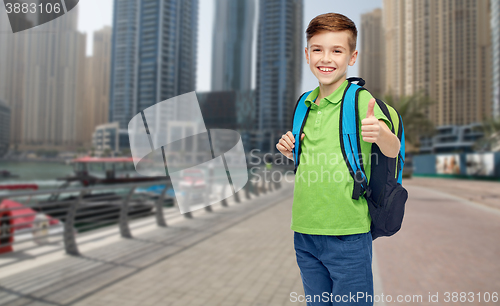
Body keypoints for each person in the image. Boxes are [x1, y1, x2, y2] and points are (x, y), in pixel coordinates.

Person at [276, 13, 401, 305]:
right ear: (307, 54)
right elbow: (310, 157)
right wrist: (289, 151)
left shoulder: (360, 101)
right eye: (317, 49)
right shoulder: (303, 104)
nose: (326, 58)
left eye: (337, 50)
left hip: (347, 234)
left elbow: (393, 149)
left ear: (352, 56)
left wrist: (379, 134)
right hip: (304, 231)